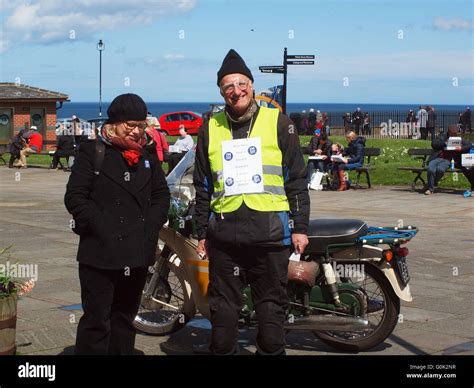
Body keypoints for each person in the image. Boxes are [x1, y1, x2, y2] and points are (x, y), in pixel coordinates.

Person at [193, 49, 309, 355]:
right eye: (228, 86)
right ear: (221, 92)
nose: (236, 91)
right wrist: (201, 232)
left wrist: (300, 227)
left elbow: (296, 178)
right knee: (223, 316)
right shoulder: (210, 128)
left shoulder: (279, 122)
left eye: (241, 83)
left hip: (269, 237)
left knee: (271, 318)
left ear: (252, 85)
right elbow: (202, 185)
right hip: (225, 238)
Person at [64, 93, 170, 355]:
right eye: (130, 125)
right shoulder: (93, 152)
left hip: (136, 252)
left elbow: (161, 195)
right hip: (100, 251)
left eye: (141, 125)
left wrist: (149, 227)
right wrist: (103, 227)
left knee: (124, 318)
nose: (136, 131)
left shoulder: (147, 156)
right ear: (114, 124)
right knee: (97, 320)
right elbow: (75, 197)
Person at [425, 125, 472, 195]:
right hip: (438, 157)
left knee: (440, 170)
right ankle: (430, 189)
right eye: (453, 134)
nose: (454, 135)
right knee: (430, 169)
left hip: (448, 160)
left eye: (456, 133)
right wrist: (444, 143)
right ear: (449, 132)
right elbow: (433, 144)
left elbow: (469, 145)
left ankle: (433, 183)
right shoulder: (442, 136)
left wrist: (461, 148)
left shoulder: (458, 139)